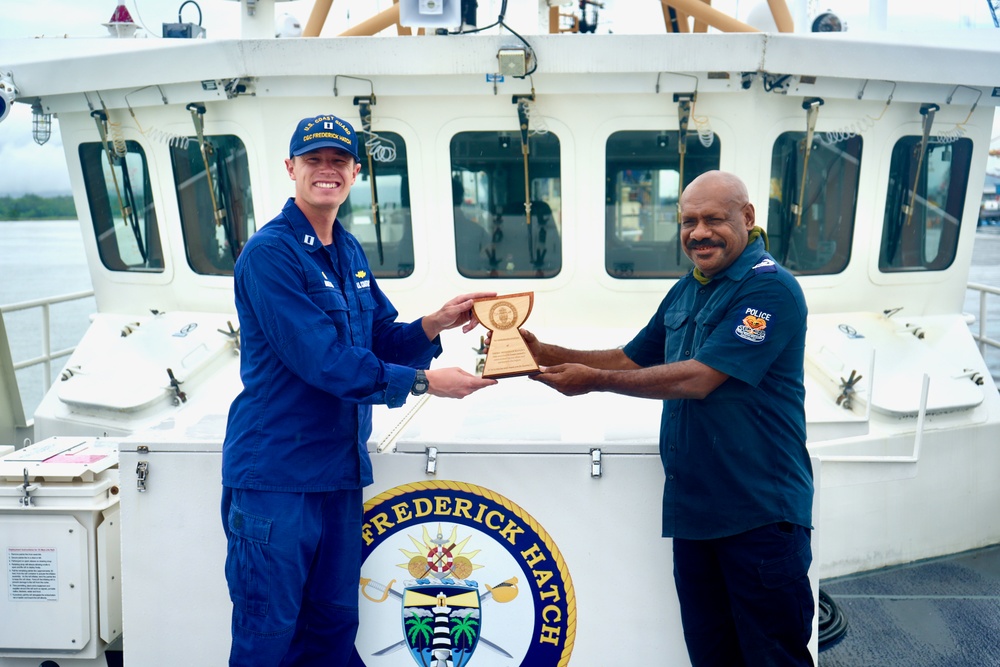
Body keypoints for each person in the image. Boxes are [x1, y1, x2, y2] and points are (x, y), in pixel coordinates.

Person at [221, 113, 497, 666]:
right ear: (291, 168)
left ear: (355, 173)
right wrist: (425, 383)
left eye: (339, 161)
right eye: (315, 160)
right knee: (267, 637)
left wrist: (435, 324)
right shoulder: (270, 254)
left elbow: (375, 338)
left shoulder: (346, 250)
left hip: (337, 476)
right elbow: (323, 361)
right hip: (277, 479)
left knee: (332, 628)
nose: (327, 170)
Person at [527, 170, 814, 666]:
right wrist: (540, 352)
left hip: (761, 516)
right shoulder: (690, 288)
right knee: (712, 657)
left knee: (774, 658)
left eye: (713, 220)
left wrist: (590, 381)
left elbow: (698, 378)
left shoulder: (770, 291)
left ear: (747, 218)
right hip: (698, 517)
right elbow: (633, 358)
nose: (698, 233)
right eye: (688, 222)